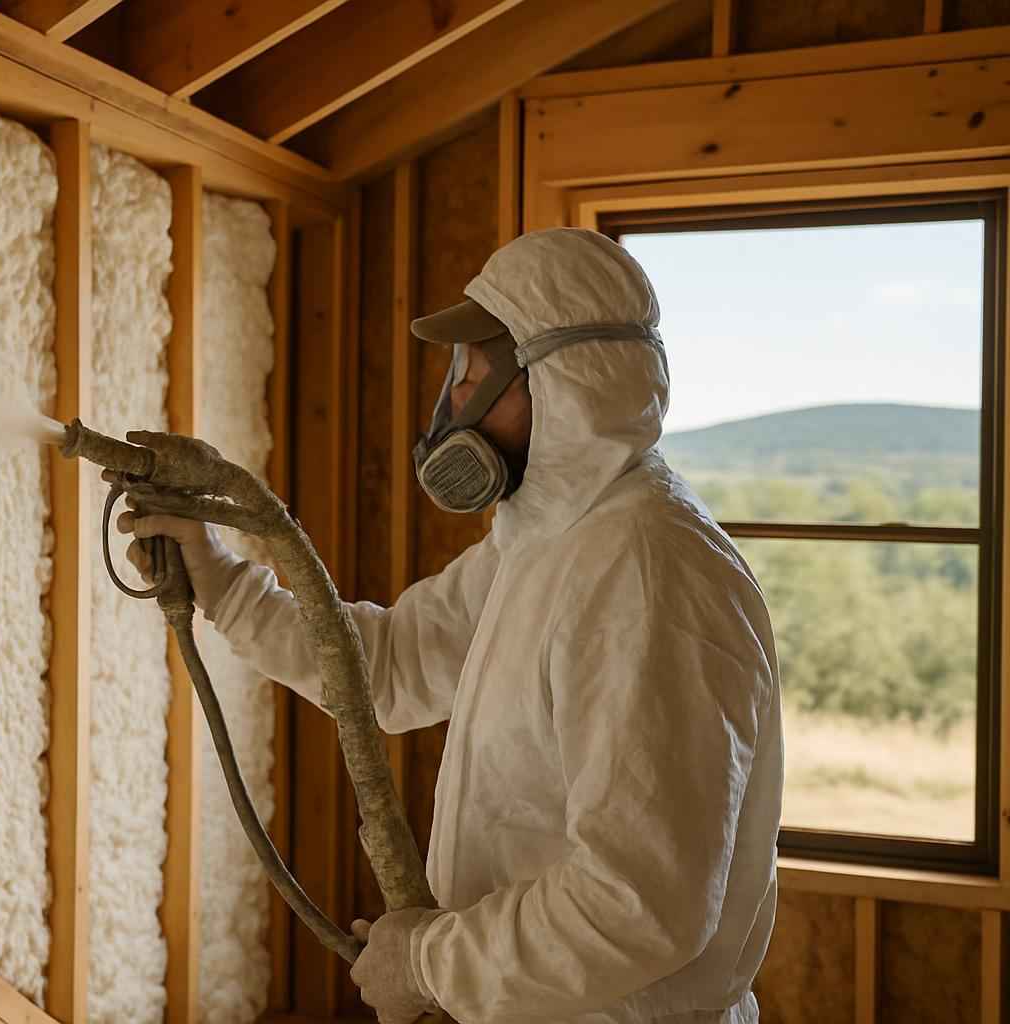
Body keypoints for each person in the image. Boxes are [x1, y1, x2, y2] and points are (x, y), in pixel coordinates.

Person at [119, 227, 783, 1024]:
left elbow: (638, 903)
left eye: (473, 372)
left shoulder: (647, 574)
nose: (453, 401)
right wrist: (221, 580)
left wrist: (431, 963)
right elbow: (391, 665)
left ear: (559, 383)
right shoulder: (548, 541)